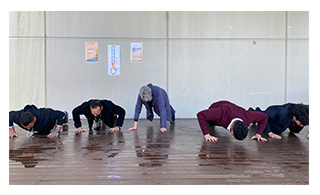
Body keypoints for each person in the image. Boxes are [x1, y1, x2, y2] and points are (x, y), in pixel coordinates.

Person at [196, 100, 269, 142]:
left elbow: (264, 117)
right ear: (231, 126)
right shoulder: (221, 113)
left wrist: (258, 134)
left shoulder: (247, 118)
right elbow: (200, 115)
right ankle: (211, 123)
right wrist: (207, 135)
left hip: (236, 111)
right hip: (219, 106)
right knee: (209, 124)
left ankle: (252, 111)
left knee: (252, 114)